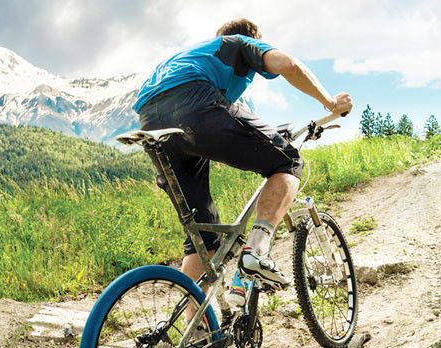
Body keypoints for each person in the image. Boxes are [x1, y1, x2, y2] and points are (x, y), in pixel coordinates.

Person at [134, 18, 352, 303]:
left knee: (203, 239)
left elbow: (229, 123)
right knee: (287, 161)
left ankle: (196, 336)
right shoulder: (236, 42)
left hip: (150, 122)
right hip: (195, 104)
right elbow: (289, 65)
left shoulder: (185, 57)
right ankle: (256, 253)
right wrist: (330, 103)